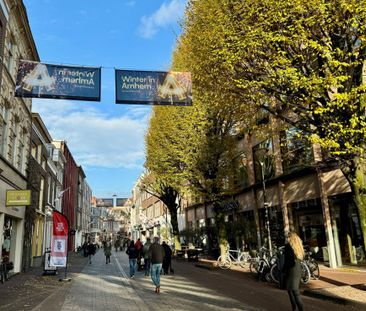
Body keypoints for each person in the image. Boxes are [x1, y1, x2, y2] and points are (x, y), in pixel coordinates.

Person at [282, 231, 305, 311]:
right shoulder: (298, 246)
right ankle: (295, 309)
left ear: (290, 238)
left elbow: (289, 261)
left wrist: (283, 269)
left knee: (293, 291)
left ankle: (296, 309)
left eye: (288, 237)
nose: (287, 239)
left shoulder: (288, 247)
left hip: (291, 271)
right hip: (297, 270)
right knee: (293, 291)